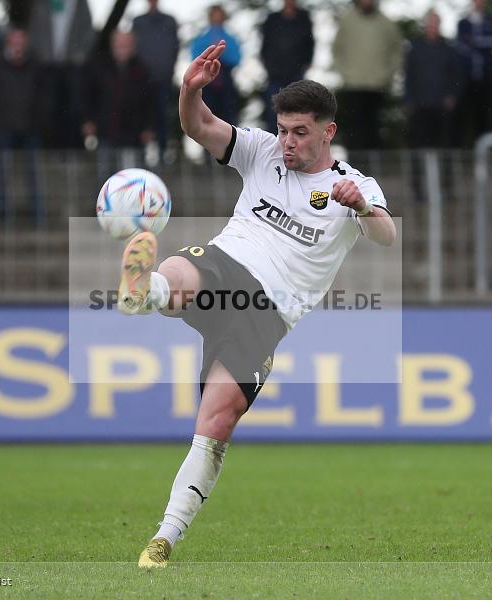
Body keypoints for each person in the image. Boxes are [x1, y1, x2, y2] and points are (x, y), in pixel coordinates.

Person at [127, 41, 397, 569]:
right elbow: (199, 126)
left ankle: (164, 539)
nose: (287, 141)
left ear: (327, 132)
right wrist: (189, 91)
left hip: (269, 312)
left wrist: (362, 205)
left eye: (300, 132)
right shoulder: (261, 151)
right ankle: (146, 290)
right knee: (186, 270)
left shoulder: (354, 186)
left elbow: (386, 235)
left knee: (216, 421)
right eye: (282, 129)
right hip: (229, 262)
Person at [0, 28, 44, 226]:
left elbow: (42, 94)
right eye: (14, 41)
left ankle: (37, 217)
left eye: (21, 41)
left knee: (33, 175)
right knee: (2, 174)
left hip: (31, 128)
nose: (18, 46)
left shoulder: (35, 64)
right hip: (4, 127)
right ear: (7, 43)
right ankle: (3, 217)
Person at [404, 10, 463, 201]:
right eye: (430, 23)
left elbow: (458, 76)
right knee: (417, 150)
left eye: (436, 23)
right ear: (425, 25)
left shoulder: (449, 49)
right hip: (419, 107)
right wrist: (409, 101)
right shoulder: (414, 49)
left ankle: (447, 189)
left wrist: (452, 96)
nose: (433, 27)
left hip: (443, 109)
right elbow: (408, 77)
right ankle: (417, 190)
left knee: (446, 149)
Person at [332, 0, 403, 151]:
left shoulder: (386, 24)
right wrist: (345, 72)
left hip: (377, 85)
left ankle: (373, 167)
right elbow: (337, 49)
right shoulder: (347, 21)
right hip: (353, 85)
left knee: (374, 127)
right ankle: (353, 167)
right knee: (353, 127)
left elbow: (397, 51)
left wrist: (387, 74)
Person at [82, 31, 155, 177]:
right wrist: (88, 121)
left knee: (132, 178)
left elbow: (150, 103)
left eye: (126, 43)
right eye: (119, 43)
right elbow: (89, 97)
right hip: (105, 132)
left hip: (133, 135)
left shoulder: (142, 70)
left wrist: (149, 127)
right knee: (105, 176)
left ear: (133, 45)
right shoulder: (99, 68)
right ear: (112, 45)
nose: (123, 47)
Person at [28, 0, 94, 149]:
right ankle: (51, 153)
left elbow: (89, 31)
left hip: (73, 66)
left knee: (73, 111)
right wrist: (41, 56)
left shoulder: (80, 4)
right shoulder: (41, 4)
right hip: (47, 67)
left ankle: (73, 153)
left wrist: (80, 55)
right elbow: (33, 32)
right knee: (49, 112)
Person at [132, 0, 180, 163]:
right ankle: (142, 157)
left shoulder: (169, 21)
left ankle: (163, 155)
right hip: (141, 80)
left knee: (163, 117)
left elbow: (174, 47)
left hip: (163, 78)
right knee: (141, 118)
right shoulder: (138, 21)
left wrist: (168, 69)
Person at [260, 0, 315, 133]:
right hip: (275, 75)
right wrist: (269, 65)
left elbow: (309, 43)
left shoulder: (303, 18)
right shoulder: (272, 19)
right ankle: (273, 145)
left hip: (296, 75)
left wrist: (306, 63)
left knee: (298, 111)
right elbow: (265, 45)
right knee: (273, 112)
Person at [455, 0, 492, 146]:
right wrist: (480, 44)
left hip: (486, 77)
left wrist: (475, 42)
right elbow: (461, 45)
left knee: (483, 116)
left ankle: (482, 153)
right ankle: (464, 152)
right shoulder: (463, 23)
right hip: (466, 77)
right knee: (462, 116)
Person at [190, 5, 241, 126]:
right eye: (215, 15)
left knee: (228, 118)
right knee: (207, 117)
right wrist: (211, 53)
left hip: (226, 82)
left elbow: (236, 58)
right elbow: (195, 57)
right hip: (207, 84)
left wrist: (220, 53)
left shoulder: (230, 39)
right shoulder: (202, 38)